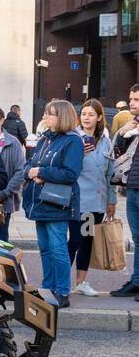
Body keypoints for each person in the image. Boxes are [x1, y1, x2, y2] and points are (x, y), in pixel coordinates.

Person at [23, 100, 85, 308]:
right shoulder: (45, 139)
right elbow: (29, 165)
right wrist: (31, 172)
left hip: (57, 203)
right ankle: (47, 288)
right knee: (45, 249)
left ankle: (62, 291)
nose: (45, 118)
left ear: (62, 116)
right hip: (39, 201)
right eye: (46, 114)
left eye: (50, 114)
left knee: (58, 248)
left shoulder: (73, 140)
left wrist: (41, 172)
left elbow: (70, 173)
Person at [67, 100, 116, 297]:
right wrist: (79, 154)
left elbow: (109, 174)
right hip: (81, 202)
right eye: (83, 114)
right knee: (76, 240)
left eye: (90, 114)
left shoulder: (105, 140)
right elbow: (68, 170)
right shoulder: (74, 139)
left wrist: (111, 200)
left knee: (88, 241)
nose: (86, 117)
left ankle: (80, 282)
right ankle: (61, 280)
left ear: (99, 117)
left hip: (98, 202)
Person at [0, 105, 27, 241]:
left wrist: (5, 193)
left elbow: (21, 171)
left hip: (1, 202)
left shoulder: (12, 143)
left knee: (0, 242)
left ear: (1, 120)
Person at [112, 108, 139, 298]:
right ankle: (137, 281)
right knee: (137, 239)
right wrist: (122, 133)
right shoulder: (133, 126)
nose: (132, 103)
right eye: (131, 98)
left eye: (136, 99)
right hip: (133, 187)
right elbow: (117, 152)